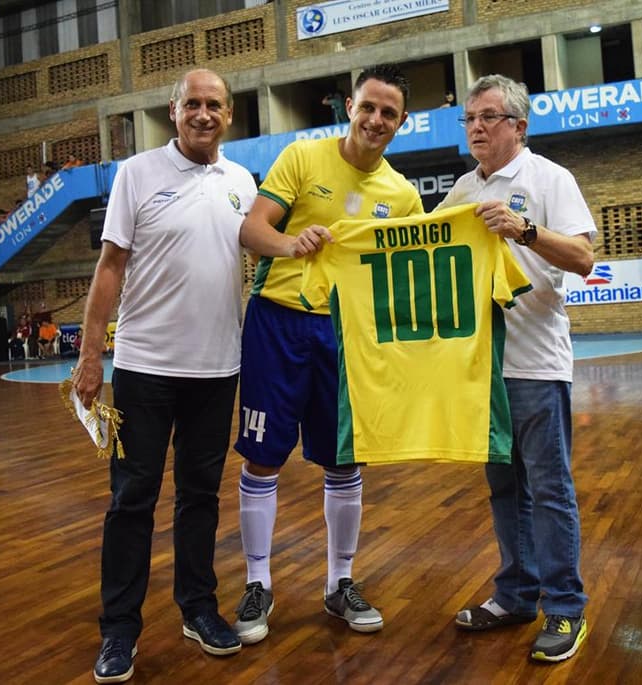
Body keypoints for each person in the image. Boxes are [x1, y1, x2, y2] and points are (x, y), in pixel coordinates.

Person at [72, 67, 257, 684]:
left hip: (218, 369)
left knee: (200, 497)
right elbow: (109, 267)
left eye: (215, 105)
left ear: (228, 114)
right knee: (132, 500)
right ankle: (119, 630)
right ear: (173, 111)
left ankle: (198, 609)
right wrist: (90, 355)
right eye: (192, 104)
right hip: (145, 369)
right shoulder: (137, 173)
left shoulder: (242, 181)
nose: (204, 114)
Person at [233, 63, 424, 646]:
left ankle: (340, 582)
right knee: (263, 458)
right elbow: (251, 230)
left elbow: (409, 276)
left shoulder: (403, 196)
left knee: (345, 460)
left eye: (389, 113)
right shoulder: (302, 158)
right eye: (368, 107)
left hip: (346, 335)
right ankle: (258, 583)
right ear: (349, 106)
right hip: (277, 322)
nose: (376, 119)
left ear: (401, 122)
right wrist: (292, 244)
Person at [436, 74, 595, 663]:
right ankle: (517, 595)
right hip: (484, 368)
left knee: (549, 490)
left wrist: (524, 229)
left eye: (488, 117)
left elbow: (583, 257)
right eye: (470, 118)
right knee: (505, 488)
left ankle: (566, 607)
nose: (476, 127)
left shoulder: (551, 178)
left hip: (536, 364)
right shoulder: (461, 188)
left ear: (518, 126)